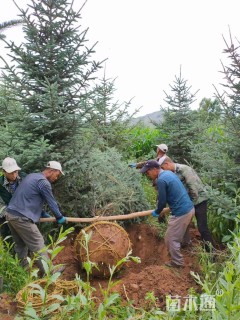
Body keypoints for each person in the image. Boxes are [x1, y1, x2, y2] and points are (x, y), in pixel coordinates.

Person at [5, 161, 67, 276]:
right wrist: (59, 217)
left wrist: (42, 214)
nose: (56, 178)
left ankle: (22, 272)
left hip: (11, 215)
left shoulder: (32, 176)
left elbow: (28, 198)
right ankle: (49, 272)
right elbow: (51, 202)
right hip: (22, 218)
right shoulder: (44, 183)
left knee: (20, 246)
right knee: (38, 244)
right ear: (51, 171)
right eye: (57, 175)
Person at [140, 160, 195, 268]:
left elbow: (162, 201)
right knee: (183, 230)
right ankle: (186, 244)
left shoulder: (161, 180)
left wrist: (157, 211)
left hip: (181, 212)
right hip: (189, 208)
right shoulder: (168, 173)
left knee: (170, 238)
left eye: (148, 172)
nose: (147, 174)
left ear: (155, 169)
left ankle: (177, 262)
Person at [160, 156, 214, 251]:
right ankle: (186, 244)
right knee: (185, 225)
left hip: (199, 201)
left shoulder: (184, 169)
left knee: (202, 227)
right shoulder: (172, 173)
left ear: (167, 164)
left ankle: (210, 251)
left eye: (163, 168)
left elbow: (194, 188)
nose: (163, 171)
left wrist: (189, 203)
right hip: (188, 203)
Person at [0, 157, 26, 240]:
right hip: (6, 217)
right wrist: (9, 215)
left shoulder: (24, 179)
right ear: (3, 171)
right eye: (11, 172)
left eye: (16, 171)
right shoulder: (0, 184)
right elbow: (1, 204)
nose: (14, 175)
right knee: (8, 239)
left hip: (24, 215)